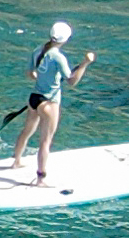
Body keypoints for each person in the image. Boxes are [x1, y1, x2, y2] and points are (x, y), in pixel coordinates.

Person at [8, 21, 94, 180]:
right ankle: (40, 179)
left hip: (33, 98)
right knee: (45, 141)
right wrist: (85, 63)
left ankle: (16, 162)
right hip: (49, 103)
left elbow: (30, 74)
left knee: (26, 131)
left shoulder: (37, 51)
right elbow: (71, 81)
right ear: (65, 39)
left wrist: (41, 77)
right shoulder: (58, 57)